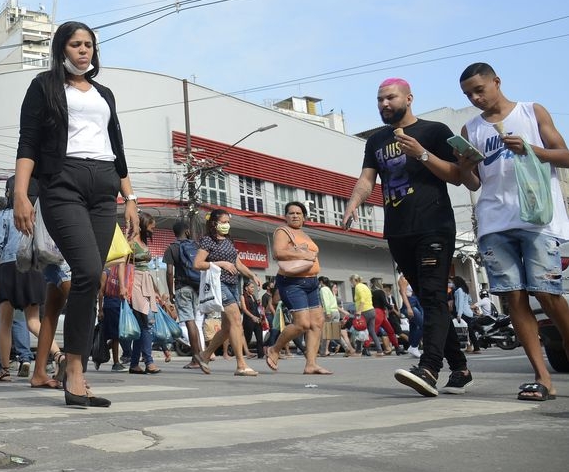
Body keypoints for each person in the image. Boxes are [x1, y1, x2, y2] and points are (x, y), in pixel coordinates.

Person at [13, 20, 139, 407]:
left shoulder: (105, 94)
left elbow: (117, 147)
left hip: (104, 188)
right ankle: (74, 369)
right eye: (75, 44)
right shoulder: (45, 86)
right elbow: (28, 141)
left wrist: (130, 198)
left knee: (93, 279)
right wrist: (21, 193)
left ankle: (75, 367)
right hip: (63, 183)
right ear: (61, 49)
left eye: (88, 45)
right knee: (85, 271)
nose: (83, 50)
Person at [343, 77, 470, 397]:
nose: (384, 104)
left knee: (431, 296)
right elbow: (366, 179)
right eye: (379, 100)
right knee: (431, 299)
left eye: (390, 98)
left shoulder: (436, 131)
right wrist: (353, 202)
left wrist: (423, 155)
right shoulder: (375, 142)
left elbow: (458, 177)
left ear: (409, 98)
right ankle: (461, 367)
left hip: (434, 225)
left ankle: (428, 368)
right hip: (398, 231)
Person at [457, 62, 569, 401]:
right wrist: (464, 168)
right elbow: (475, 182)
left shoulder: (531, 112)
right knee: (514, 297)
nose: (475, 98)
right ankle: (542, 377)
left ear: (497, 82)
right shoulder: (470, 129)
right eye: (468, 95)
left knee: (548, 294)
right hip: (494, 221)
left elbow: (564, 155)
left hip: (536, 219)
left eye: (479, 90)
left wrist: (531, 150)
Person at [0, 174, 49, 382]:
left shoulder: (4, 215)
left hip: (9, 267)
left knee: (5, 322)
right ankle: (58, 354)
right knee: (33, 321)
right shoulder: (40, 214)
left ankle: (4, 370)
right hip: (35, 267)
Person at [192, 209, 262, 376]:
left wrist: (252, 274)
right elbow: (198, 264)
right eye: (223, 222)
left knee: (227, 327)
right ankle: (241, 364)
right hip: (219, 284)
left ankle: (204, 355)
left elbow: (237, 263)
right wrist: (221, 263)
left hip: (232, 285)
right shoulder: (208, 241)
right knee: (237, 321)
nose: (226, 225)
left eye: (227, 222)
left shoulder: (229, 240)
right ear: (214, 223)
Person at [264, 201, 330, 374]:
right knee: (302, 324)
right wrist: (302, 253)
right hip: (293, 282)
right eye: (291, 213)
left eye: (298, 213)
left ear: (304, 217)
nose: (295, 216)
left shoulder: (304, 234)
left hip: (312, 282)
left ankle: (311, 364)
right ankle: (274, 349)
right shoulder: (282, 231)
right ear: (285, 217)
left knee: (317, 322)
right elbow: (278, 252)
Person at [163, 218, 205, 370]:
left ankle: (196, 358)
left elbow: (169, 272)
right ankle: (201, 355)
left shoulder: (172, 248)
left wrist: (171, 292)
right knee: (197, 323)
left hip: (182, 288)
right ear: (187, 231)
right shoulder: (195, 245)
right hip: (197, 288)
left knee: (189, 322)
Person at [126, 214, 160, 374]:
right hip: (134, 283)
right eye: (152, 226)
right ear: (144, 224)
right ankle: (149, 361)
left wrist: (156, 291)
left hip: (146, 282)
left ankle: (134, 363)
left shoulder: (143, 241)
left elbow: (148, 269)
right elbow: (122, 265)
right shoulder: (131, 242)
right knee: (146, 323)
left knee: (142, 325)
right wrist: (124, 288)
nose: (153, 229)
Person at [397, 271, 424, 358]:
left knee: (413, 326)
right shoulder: (403, 278)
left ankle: (412, 346)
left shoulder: (410, 276)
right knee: (424, 325)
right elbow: (403, 294)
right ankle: (414, 346)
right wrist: (408, 308)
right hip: (410, 303)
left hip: (415, 302)